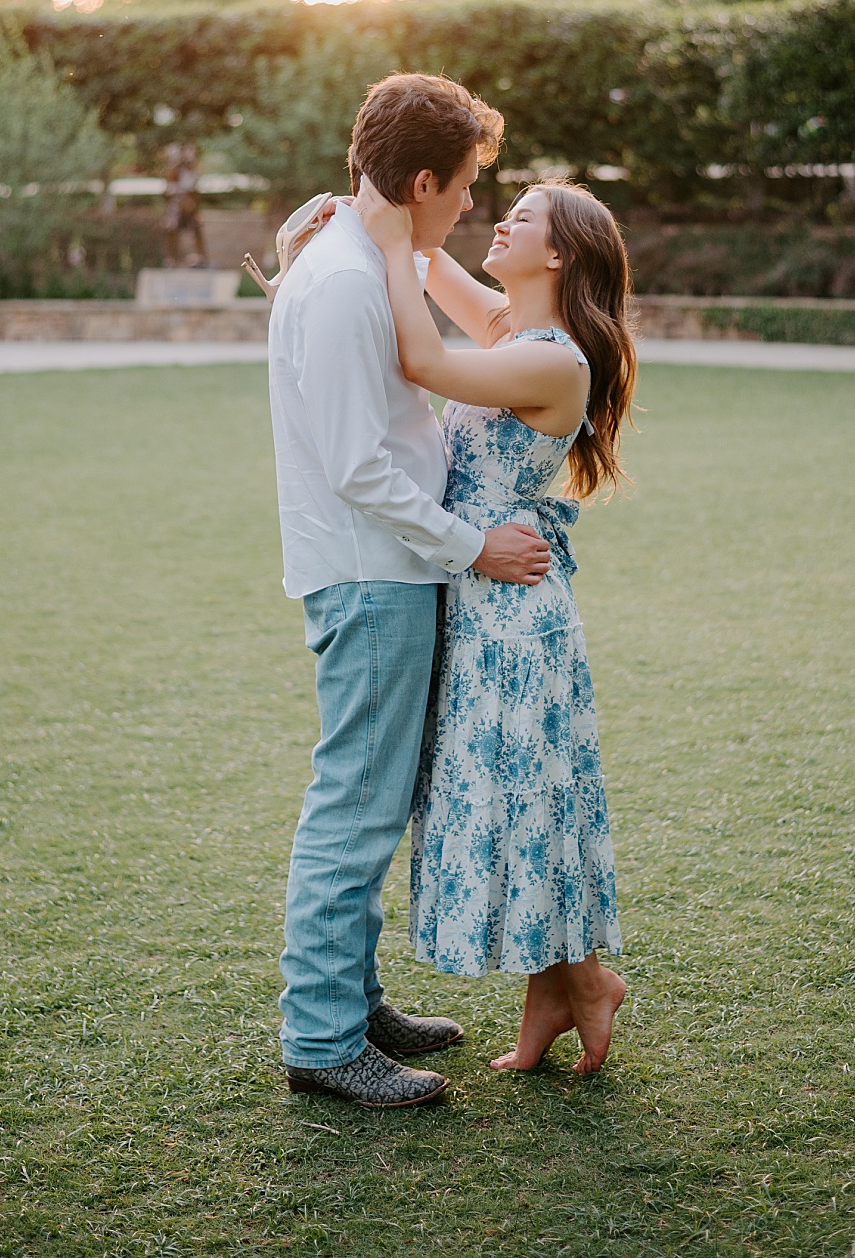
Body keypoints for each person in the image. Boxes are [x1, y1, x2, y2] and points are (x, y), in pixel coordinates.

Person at [269, 73, 551, 1108]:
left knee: (370, 803)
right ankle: (322, 1036)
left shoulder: (348, 255)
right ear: (422, 181)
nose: (472, 205)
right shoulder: (346, 278)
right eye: (466, 184)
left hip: (378, 570)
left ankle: (350, 1001)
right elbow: (360, 465)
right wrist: (472, 545)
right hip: (373, 575)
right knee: (356, 807)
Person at [361, 179, 638, 1075]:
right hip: (482, 596)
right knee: (517, 797)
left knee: (524, 800)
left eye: (523, 216)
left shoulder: (553, 362)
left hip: (515, 620)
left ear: (556, 254)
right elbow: (430, 261)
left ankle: (585, 982)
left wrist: (389, 241)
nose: (502, 220)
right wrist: (378, 208)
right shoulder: (512, 331)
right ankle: (558, 990)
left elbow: (420, 358)